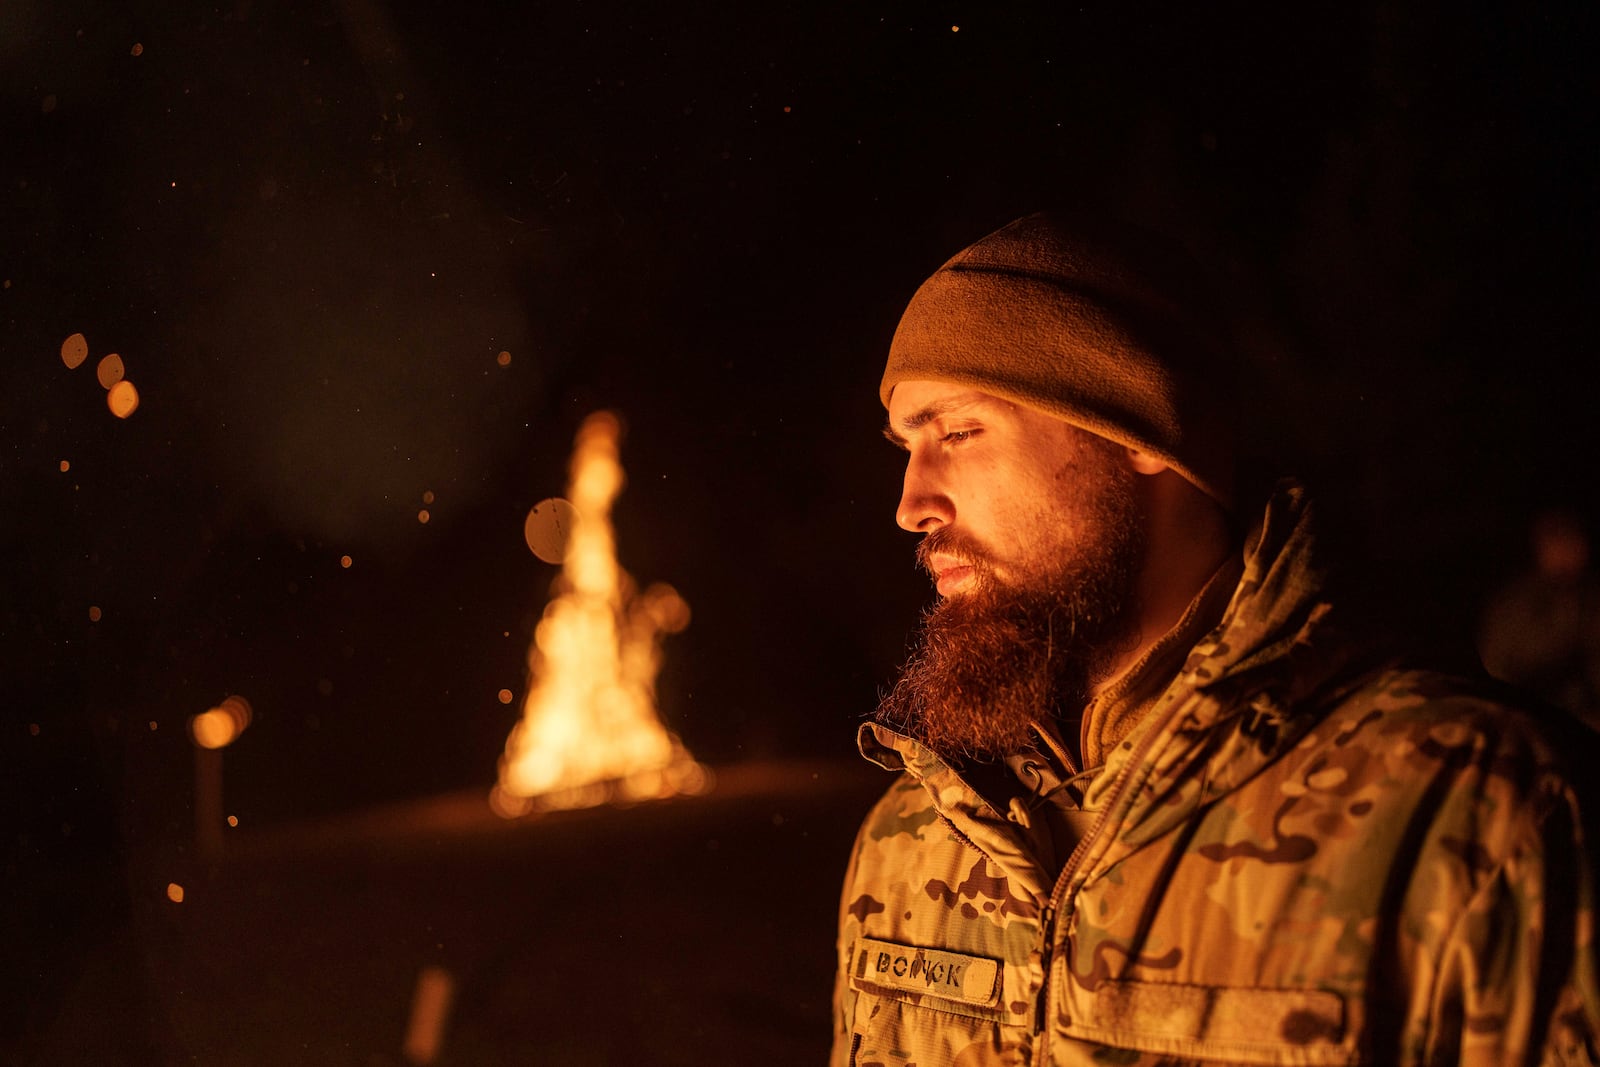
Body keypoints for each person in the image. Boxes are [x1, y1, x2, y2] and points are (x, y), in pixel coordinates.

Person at [831, 212, 1600, 1066]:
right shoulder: (910, 840)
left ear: (1138, 430)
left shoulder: (1475, 818)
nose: (911, 503)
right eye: (906, 445)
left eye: (959, 432)